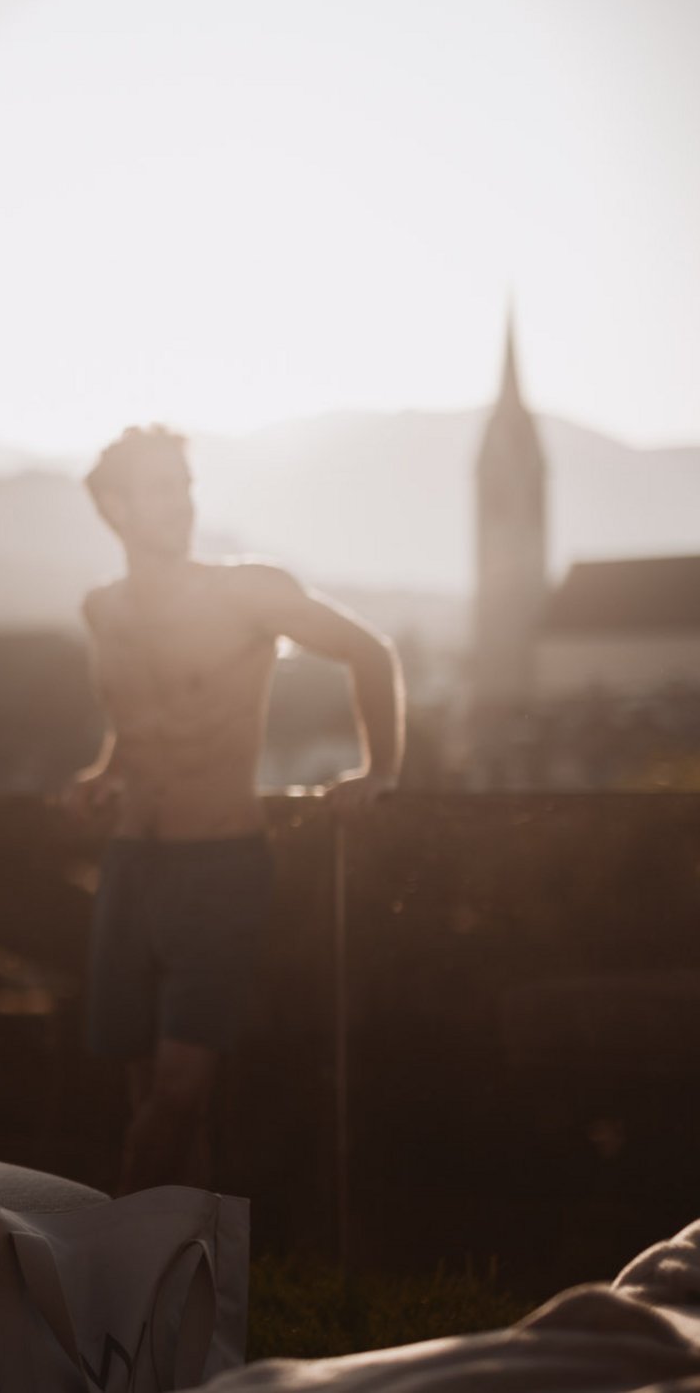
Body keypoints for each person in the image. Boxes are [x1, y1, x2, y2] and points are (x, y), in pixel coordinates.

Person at [65, 426, 402, 1195]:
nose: (180, 504)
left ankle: (108, 1273)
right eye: (158, 489)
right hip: (129, 868)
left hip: (219, 867)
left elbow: (369, 651)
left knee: (177, 1098)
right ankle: (189, 1298)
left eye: (183, 485)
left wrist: (381, 769)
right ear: (114, 507)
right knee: (148, 1094)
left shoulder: (245, 593)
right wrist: (103, 772)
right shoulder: (102, 610)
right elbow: (136, 718)